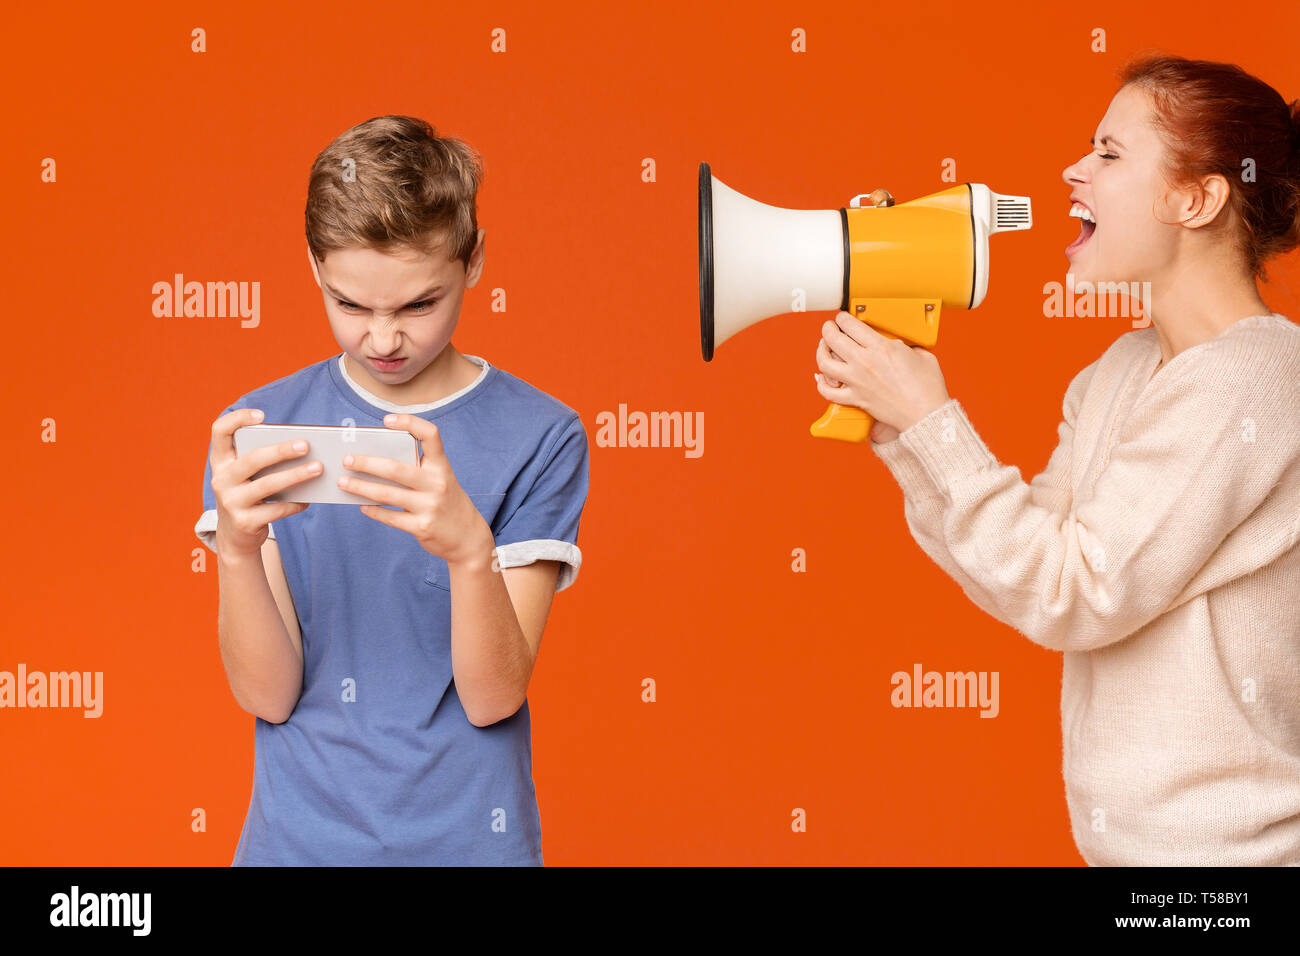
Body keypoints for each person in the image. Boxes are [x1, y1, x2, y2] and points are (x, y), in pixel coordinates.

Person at [814, 54, 1300, 865]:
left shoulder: (1254, 378)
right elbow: (1026, 571)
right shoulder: (1115, 372)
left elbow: (1077, 592)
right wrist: (905, 436)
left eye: (1110, 154)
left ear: (1197, 197)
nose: (1074, 170)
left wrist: (936, 421)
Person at [195, 116, 589, 865]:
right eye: (350, 306)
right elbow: (267, 697)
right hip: (296, 843)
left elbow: (491, 698)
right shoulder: (260, 430)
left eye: (417, 305)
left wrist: (470, 552)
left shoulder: (542, 434)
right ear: (314, 267)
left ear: (473, 263)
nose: (382, 340)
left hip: (470, 841)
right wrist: (239, 553)